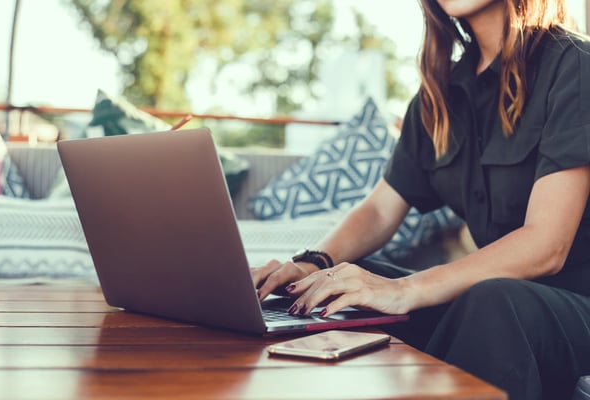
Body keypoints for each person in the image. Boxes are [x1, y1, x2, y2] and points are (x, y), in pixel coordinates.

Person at [251, 0, 590, 398]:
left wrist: (406, 289)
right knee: (346, 282)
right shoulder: (439, 94)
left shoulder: (575, 65)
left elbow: (546, 246)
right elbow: (380, 209)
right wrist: (313, 264)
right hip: (498, 301)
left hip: (573, 305)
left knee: (495, 300)